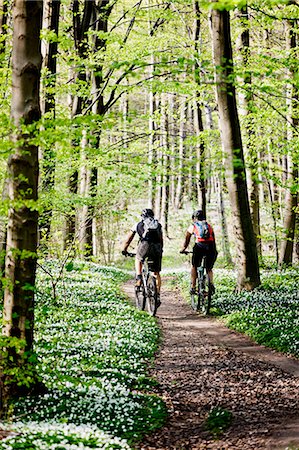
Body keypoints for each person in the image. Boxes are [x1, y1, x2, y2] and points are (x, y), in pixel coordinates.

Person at [122, 208, 163, 303]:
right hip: (156, 247)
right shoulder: (158, 225)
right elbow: (161, 239)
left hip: (144, 245)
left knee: (138, 258)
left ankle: (139, 277)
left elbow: (129, 239)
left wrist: (124, 249)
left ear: (142, 216)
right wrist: (161, 249)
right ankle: (157, 295)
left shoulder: (138, 225)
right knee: (156, 273)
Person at [180, 209, 217, 294]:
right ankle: (211, 284)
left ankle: (193, 286)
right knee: (209, 268)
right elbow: (213, 240)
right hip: (211, 248)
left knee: (194, 266)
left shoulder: (193, 226)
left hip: (199, 247)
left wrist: (183, 249)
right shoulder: (209, 226)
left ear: (194, 218)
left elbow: (187, 239)